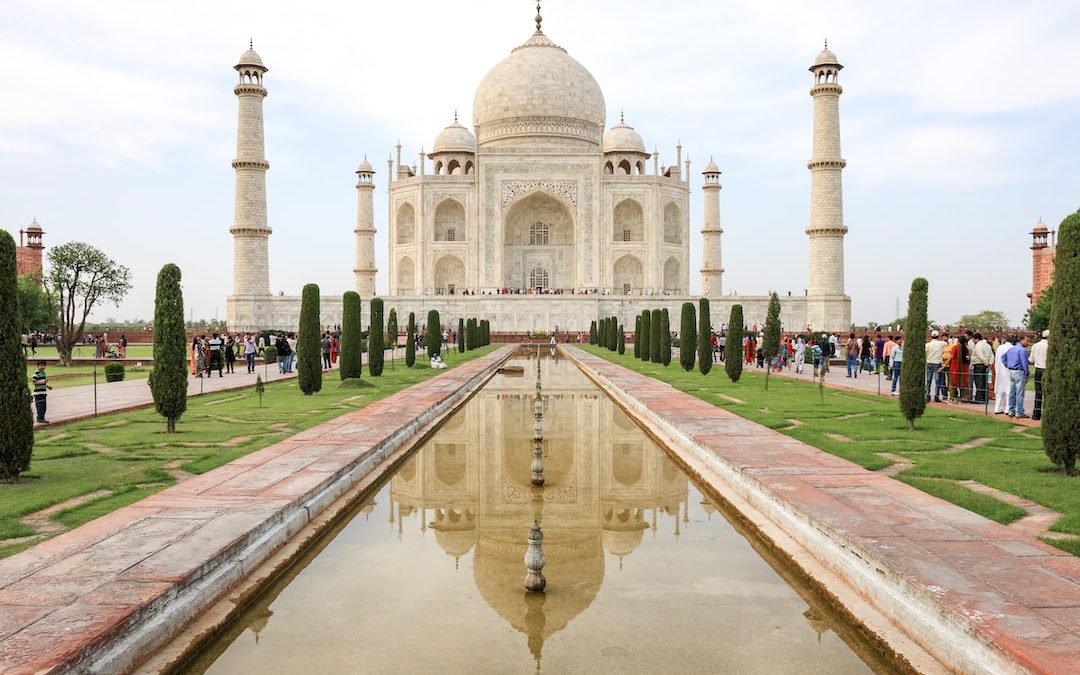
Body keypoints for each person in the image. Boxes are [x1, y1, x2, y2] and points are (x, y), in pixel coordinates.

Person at [1003, 335, 1030, 418]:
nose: (1028, 343)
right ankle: (1019, 412)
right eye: (1027, 341)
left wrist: (1008, 365)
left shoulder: (1011, 349)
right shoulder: (1022, 350)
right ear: (1021, 340)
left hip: (1011, 371)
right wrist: (1026, 373)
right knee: (1019, 393)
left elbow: (1003, 357)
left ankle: (1011, 411)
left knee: (1012, 392)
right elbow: (1024, 362)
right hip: (1019, 371)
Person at [1029, 330, 1049, 420]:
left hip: (1038, 370)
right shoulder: (1049, 346)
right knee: (1048, 392)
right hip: (1046, 369)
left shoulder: (1035, 345)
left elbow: (1031, 360)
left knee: (1038, 392)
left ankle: (1036, 414)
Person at [970, 333, 993, 404]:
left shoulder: (978, 346)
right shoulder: (988, 345)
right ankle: (984, 398)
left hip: (979, 364)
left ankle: (978, 398)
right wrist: (989, 363)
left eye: (973, 339)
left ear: (976, 339)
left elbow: (981, 356)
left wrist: (986, 362)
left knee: (979, 382)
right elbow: (992, 355)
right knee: (984, 382)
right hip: (986, 365)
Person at [993, 335, 1013, 414]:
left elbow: (997, 360)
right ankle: (1007, 409)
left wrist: (996, 370)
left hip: (999, 371)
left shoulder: (999, 348)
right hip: (1008, 371)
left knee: (999, 390)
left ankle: (997, 408)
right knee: (1009, 390)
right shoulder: (1011, 348)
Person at [925, 330, 947, 402]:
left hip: (929, 362)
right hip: (937, 363)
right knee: (938, 381)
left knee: (928, 380)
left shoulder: (927, 345)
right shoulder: (942, 344)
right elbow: (946, 343)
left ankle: (927, 395)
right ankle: (936, 396)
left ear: (931, 336)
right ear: (938, 336)